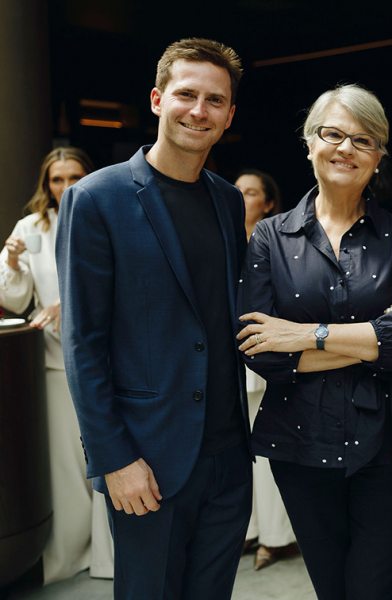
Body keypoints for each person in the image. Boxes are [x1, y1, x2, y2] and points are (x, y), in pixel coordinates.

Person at [56, 38, 252, 599]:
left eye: (215, 100)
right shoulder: (96, 199)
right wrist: (115, 459)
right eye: (186, 94)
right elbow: (83, 343)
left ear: (230, 115)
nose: (199, 110)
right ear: (157, 98)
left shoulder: (226, 200)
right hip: (147, 461)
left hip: (227, 457)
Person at [236, 83, 392, 600]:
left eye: (363, 140)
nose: (346, 148)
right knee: (332, 591)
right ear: (309, 143)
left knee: (374, 589)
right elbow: (261, 350)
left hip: (389, 446)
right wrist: (372, 336)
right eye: (333, 134)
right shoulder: (270, 237)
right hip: (300, 444)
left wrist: (305, 334)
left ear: (379, 156)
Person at [0, 147, 114, 583]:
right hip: (50, 362)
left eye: (74, 177)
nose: (65, 187)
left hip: (104, 361)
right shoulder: (32, 227)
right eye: (57, 179)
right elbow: (13, 300)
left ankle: (111, 558)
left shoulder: (106, 215)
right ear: (46, 185)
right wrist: (11, 260)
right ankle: (69, 556)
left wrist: (72, 306)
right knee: (66, 467)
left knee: (108, 460)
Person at [233, 169, 296, 570]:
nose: (242, 198)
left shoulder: (274, 240)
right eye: (237, 192)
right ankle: (248, 530)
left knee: (266, 451)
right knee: (240, 453)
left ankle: (275, 538)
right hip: (229, 356)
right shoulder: (223, 235)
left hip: (267, 353)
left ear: (268, 202)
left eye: (251, 192)